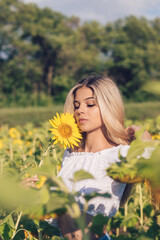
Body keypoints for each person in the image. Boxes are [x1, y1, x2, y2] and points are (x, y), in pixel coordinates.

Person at [54, 74, 151, 240]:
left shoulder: (120, 154)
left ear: (109, 106)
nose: (80, 110)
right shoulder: (70, 154)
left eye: (90, 104)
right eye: (76, 106)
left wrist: (145, 138)